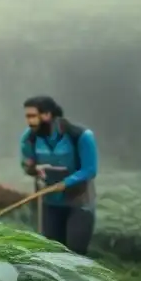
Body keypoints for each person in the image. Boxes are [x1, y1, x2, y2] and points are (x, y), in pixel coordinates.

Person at [20, 95, 98, 254]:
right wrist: (34, 169)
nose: (29, 121)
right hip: (49, 203)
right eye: (27, 116)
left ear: (47, 115)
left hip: (79, 202)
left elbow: (90, 169)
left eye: (32, 116)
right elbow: (27, 164)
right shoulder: (29, 138)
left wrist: (65, 183)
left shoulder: (81, 136)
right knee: (52, 252)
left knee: (76, 251)